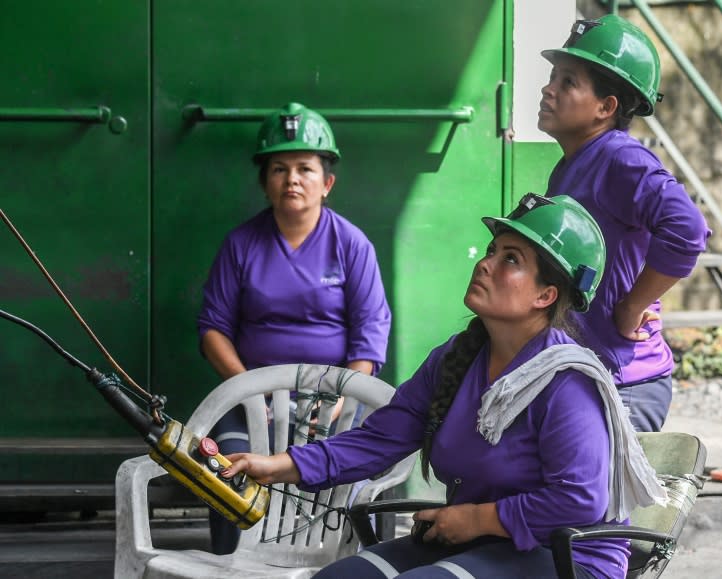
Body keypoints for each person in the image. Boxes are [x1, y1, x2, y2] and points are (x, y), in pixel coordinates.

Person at [221, 193, 667, 579]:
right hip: (481, 541)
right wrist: (275, 465)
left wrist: (477, 518)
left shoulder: (566, 381)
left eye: (511, 259)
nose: (486, 263)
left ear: (545, 295)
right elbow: (379, 439)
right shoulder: (458, 358)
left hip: (566, 556)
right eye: (492, 250)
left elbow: (580, 498)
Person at [196, 102, 392, 554]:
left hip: (337, 395)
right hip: (252, 397)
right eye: (279, 168)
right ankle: (234, 563)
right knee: (221, 463)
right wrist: (246, 389)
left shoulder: (351, 244)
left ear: (327, 182)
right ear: (265, 183)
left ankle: (362, 563)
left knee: (373, 463)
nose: (292, 179)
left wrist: (342, 399)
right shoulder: (241, 244)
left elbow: (370, 333)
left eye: (305, 168)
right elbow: (213, 329)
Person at [538, 14, 711, 432]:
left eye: (568, 82)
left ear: (606, 106)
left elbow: (688, 230)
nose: (548, 89)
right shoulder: (572, 164)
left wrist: (632, 306)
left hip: (623, 384)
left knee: (595, 499)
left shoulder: (620, 159)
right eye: (553, 77)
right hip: (588, 376)